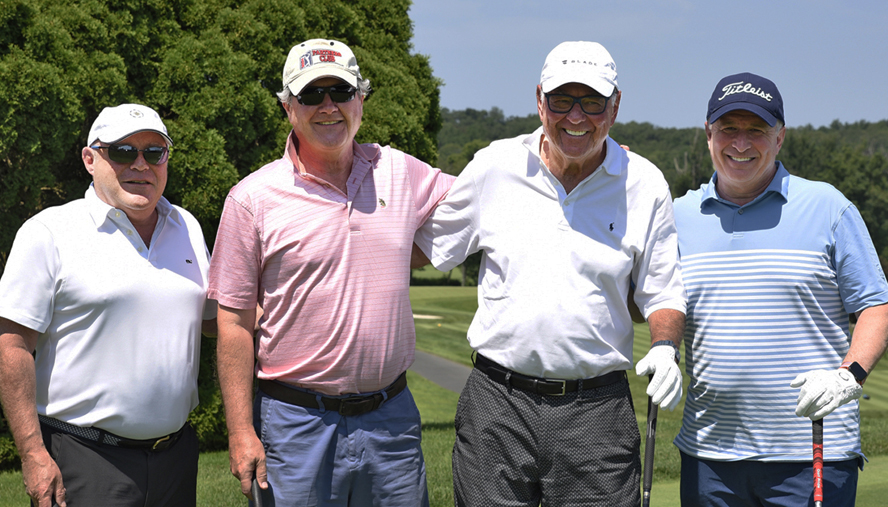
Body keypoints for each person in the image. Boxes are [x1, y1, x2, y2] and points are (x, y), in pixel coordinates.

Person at [414, 41, 687, 506]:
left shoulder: (644, 184)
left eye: (592, 102)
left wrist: (665, 348)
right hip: (497, 404)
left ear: (615, 105)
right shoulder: (495, 167)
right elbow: (421, 249)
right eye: (562, 100)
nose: (576, 117)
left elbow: (662, 292)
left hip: (596, 411)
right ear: (539, 99)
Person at [208, 38, 452, 506]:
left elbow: (491, 198)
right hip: (295, 421)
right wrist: (240, 431)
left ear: (360, 98)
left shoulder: (400, 172)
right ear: (287, 106)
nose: (327, 107)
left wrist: (588, 162)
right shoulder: (252, 198)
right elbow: (234, 324)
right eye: (311, 95)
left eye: (340, 92)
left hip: (391, 419)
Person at [673, 72, 888, 506]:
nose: (740, 143)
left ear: (780, 137)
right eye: (728, 129)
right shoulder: (677, 216)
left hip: (813, 451)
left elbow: (876, 305)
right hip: (709, 456)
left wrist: (851, 375)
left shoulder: (828, 207)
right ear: (708, 134)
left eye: (756, 130)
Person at [0, 103, 217, 507]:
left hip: (176, 457)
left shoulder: (186, 225)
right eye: (122, 152)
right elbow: (10, 344)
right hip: (84, 459)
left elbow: (215, 320)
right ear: (89, 159)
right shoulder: (49, 231)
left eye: (154, 152)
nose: (141, 164)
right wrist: (31, 453)